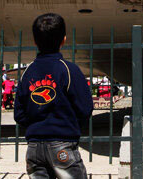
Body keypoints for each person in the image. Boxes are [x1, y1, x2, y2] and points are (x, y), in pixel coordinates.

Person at [14, 12, 93, 179]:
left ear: (35, 41)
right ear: (63, 40)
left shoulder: (27, 73)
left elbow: (19, 114)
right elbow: (85, 108)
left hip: (34, 148)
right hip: (62, 143)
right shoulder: (69, 70)